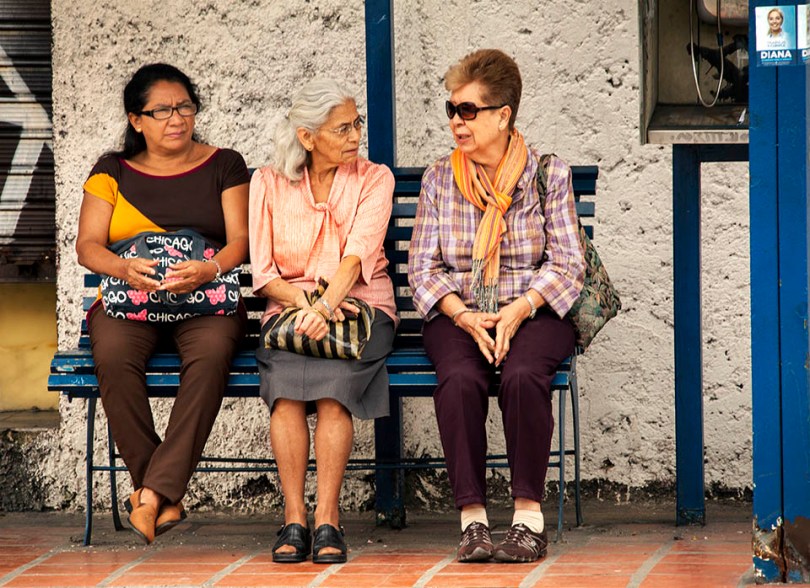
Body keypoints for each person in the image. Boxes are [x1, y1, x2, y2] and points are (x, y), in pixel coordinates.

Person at [408, 49, 585, 564]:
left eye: (468, 110)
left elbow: (568, 264)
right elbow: (423, 268)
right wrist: (463, 314)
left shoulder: (547, 175)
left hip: (533, 310)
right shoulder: (440, 179)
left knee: (524, 374)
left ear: (503, 115)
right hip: (459, 313)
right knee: (460, 380)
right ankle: (473, 520)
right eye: (451, 109)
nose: (456, 122)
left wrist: (519, 309)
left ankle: (528, 517)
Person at [76, 63, 250, 545]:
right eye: (162, 110)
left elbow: (240, 242)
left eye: (185, 107)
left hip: (206, 298)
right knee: (111, 355)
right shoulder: (111, 169)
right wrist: (122, 268)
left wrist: (208, 269)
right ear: (136, 119)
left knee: (213, 355)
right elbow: (87, 245)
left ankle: (150, 495)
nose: (177, 118)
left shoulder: (224, 163)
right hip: (131, 297)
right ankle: (164, 495)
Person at [249, 79, 397, 564]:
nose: (356, 136)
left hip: (360, 309)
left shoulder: (375, 179)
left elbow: (357, 258)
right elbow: (264, 273)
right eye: (342, 128)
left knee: (334, 391)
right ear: (308, 137)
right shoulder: (268, 183)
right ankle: (295, 518)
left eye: (357, 124)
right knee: (287, 394)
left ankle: (328, 518)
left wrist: (325, 306)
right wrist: (305, 304)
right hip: (291, 312)